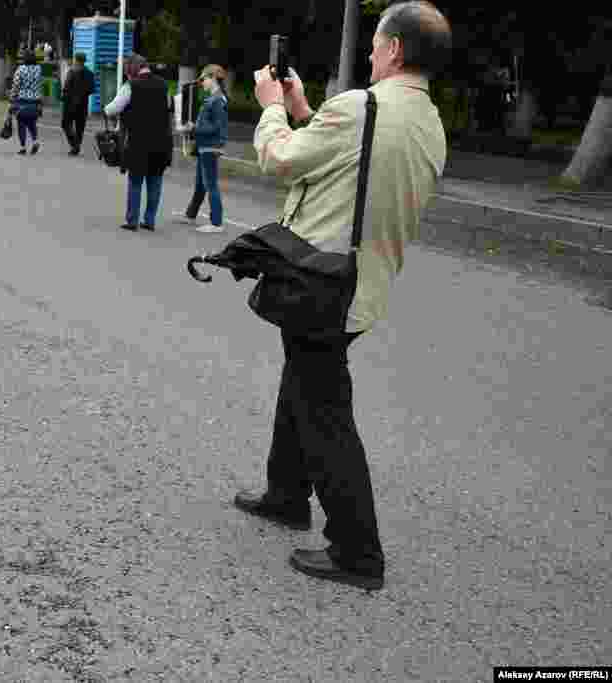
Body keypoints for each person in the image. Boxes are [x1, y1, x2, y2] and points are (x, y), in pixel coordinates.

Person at [233, 1, 452, 591]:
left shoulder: (362, 107)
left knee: (324, 410)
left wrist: (274, 110)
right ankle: (285, 493)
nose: (372, 54)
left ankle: (358, 551)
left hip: (322, 281)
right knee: (302, 381)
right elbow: (345, 170)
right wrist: (308, 112)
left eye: (377, 44)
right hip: (362, 282)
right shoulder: (426, 120)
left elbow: (280, 160)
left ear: (396, 50)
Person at [103, 53, 173, 232]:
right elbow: (168, 108)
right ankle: (149, 220)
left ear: (132, 69)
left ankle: (132, 220)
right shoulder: (164, 85)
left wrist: (107, 109)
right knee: (155, 181)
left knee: (135, 181)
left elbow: (112, 109)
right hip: (161, 141)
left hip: (138, 142)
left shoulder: (130, 86)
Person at [177, 64, 229, 233]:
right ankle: (191, 214)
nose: (202, 83)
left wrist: (194, 128)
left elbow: (217, 127)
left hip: (210, 146)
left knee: (210, 184)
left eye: (203, 79)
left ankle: (216, 223)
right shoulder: (214, 98)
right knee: (201, 183)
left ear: (213, 77)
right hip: (205, 145)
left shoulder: (217, 100)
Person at [8, 48, 42, 155]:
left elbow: (16, 85)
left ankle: (22, 147)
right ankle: (35, 141)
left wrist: (12, 98)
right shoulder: (38, 69)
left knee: (21, 123)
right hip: (35, 100)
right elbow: (40, 84)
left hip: (22, 100)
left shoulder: (21, 69)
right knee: (32, 122)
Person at [60, 52, 94, 156]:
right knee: (80, 127)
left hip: (70, 103)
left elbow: (66, 87)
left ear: (76, 60)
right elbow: (91, 89)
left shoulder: (71, 72)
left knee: (65, 124)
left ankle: (74, 144)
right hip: (83, 103)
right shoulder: (89, 73)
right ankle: (76, 145)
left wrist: (63, 97)